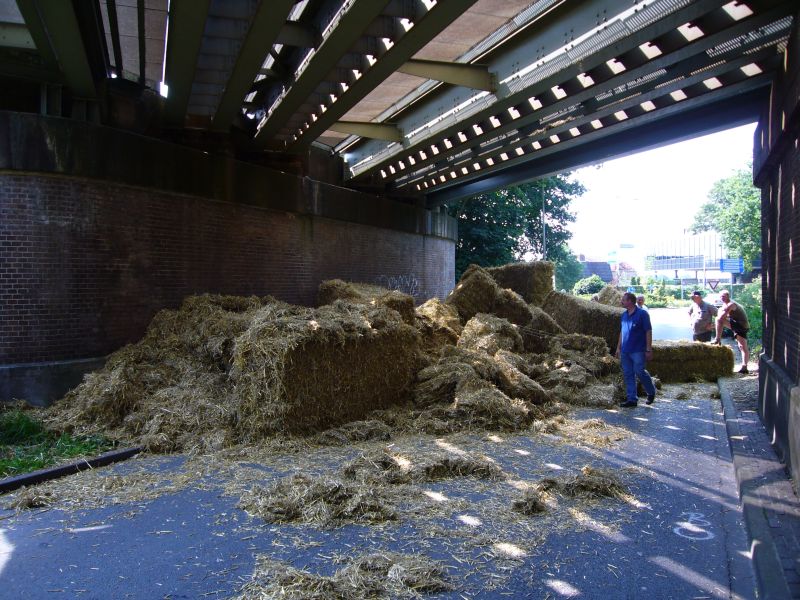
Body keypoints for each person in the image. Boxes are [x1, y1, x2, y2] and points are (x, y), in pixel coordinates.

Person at [615, 292, 656, 407]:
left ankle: (651, 391)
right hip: (625, 350)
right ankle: (632, 399)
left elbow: (648, 331)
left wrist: (648, 349)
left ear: (630, 301)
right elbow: (622, 332)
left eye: (623, 300)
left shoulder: (642, 314)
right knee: (628, 374)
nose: (621, 302)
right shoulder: (624, 315)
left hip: (638, 349)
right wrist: (618, 347)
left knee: (639, 371)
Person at [713, 289, 750, 373]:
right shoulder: (725, 305)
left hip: (741, 325)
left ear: (728, 296)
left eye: (724, 296)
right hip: (739, 325)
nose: (722, 298)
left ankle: (717, 339)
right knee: (742, 346)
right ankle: (744, 367)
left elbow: (722, 317)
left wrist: (721, 313)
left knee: (718, 319)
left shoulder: (731, 304)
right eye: (721, 296)